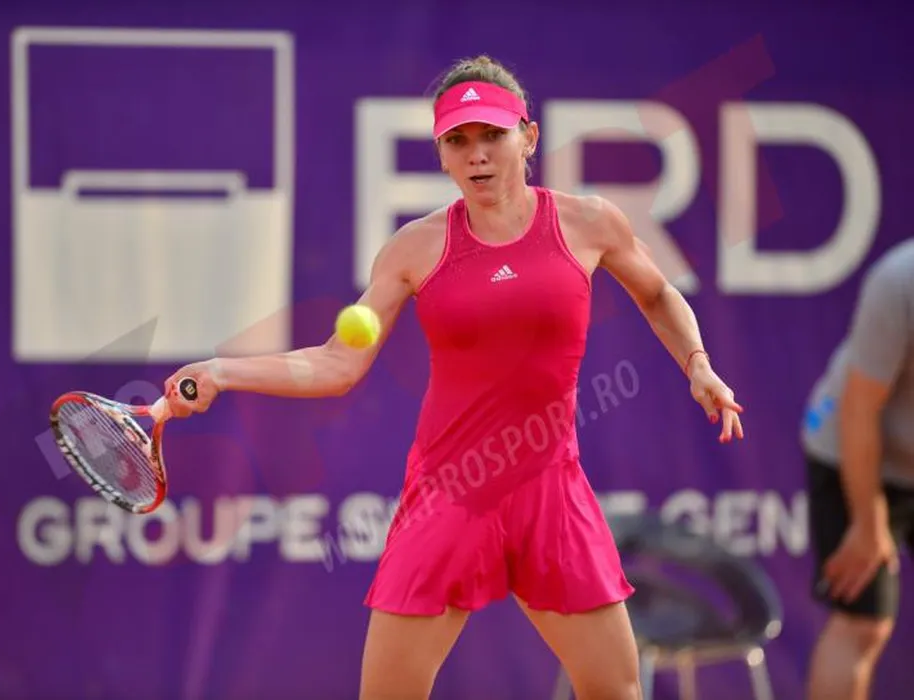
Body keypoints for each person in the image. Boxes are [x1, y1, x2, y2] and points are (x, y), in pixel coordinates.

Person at [163, 55, 744, 700]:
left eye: (492, 134)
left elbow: (658, 294)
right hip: (450, 493)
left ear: (528, 136)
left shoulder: (590, 223)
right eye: (458, 141)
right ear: (441, 155)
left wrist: (697, 363)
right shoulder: (414, 248)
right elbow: (337, 362)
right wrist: (223, 370)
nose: (477, 155)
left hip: (552, 490)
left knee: (616, 689)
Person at [802, 238, 914, 700]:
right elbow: (859, 408)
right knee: (863, 623)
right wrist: (868, 523)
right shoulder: (899, 281)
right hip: (851, 447)